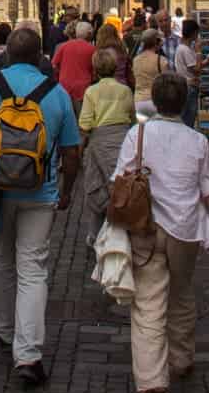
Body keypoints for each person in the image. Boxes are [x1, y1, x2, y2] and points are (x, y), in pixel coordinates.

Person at [0, 27, 80, 388]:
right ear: (40, 56)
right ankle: (28, 354)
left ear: (7, 54)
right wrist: (68, 191)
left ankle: (7, 329)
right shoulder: (55, 92)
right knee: (33, 267)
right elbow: (72, 153)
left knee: (2, 257)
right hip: (40, 192)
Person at [114, 72, 209, 393]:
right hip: (185, 228)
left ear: (154, 99)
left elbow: (120, 179)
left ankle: (152, 381)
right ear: (184, 102)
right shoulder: (196, 141)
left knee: (149, 300)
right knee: (181, 294)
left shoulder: (137, 135)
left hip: (146, 227)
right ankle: (181, 358)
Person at [79, 48, 135, 243]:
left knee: (96, 185)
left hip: (99, 141)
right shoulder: (125, 90)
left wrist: (80, 148)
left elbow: (85, 123)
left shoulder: (91, 91)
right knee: (120, 183)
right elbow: (132, 117)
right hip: (122, 140)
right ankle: (123, 228)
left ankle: (95, 233)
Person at [52, 20, 96, 115]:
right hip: (83, 89)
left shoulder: (64, 46)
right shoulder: (92, 49)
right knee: (82, 119)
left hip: (65, 87)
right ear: (89, 34)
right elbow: (95, 71)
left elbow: (54, 66)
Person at [132, 29, 168, 117]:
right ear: (157, 41)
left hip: (139, 101)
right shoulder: (161, 60)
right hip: (155, 100)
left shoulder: (136, 60)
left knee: (142, 128)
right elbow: (166, 82)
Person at [174, 19, 201, 127]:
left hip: (186, 85)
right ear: (194, 33)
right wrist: (198, 51)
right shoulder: (185, 50)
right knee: (188, 119)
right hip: (189, 87)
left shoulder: (182, 48)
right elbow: (196, 69)